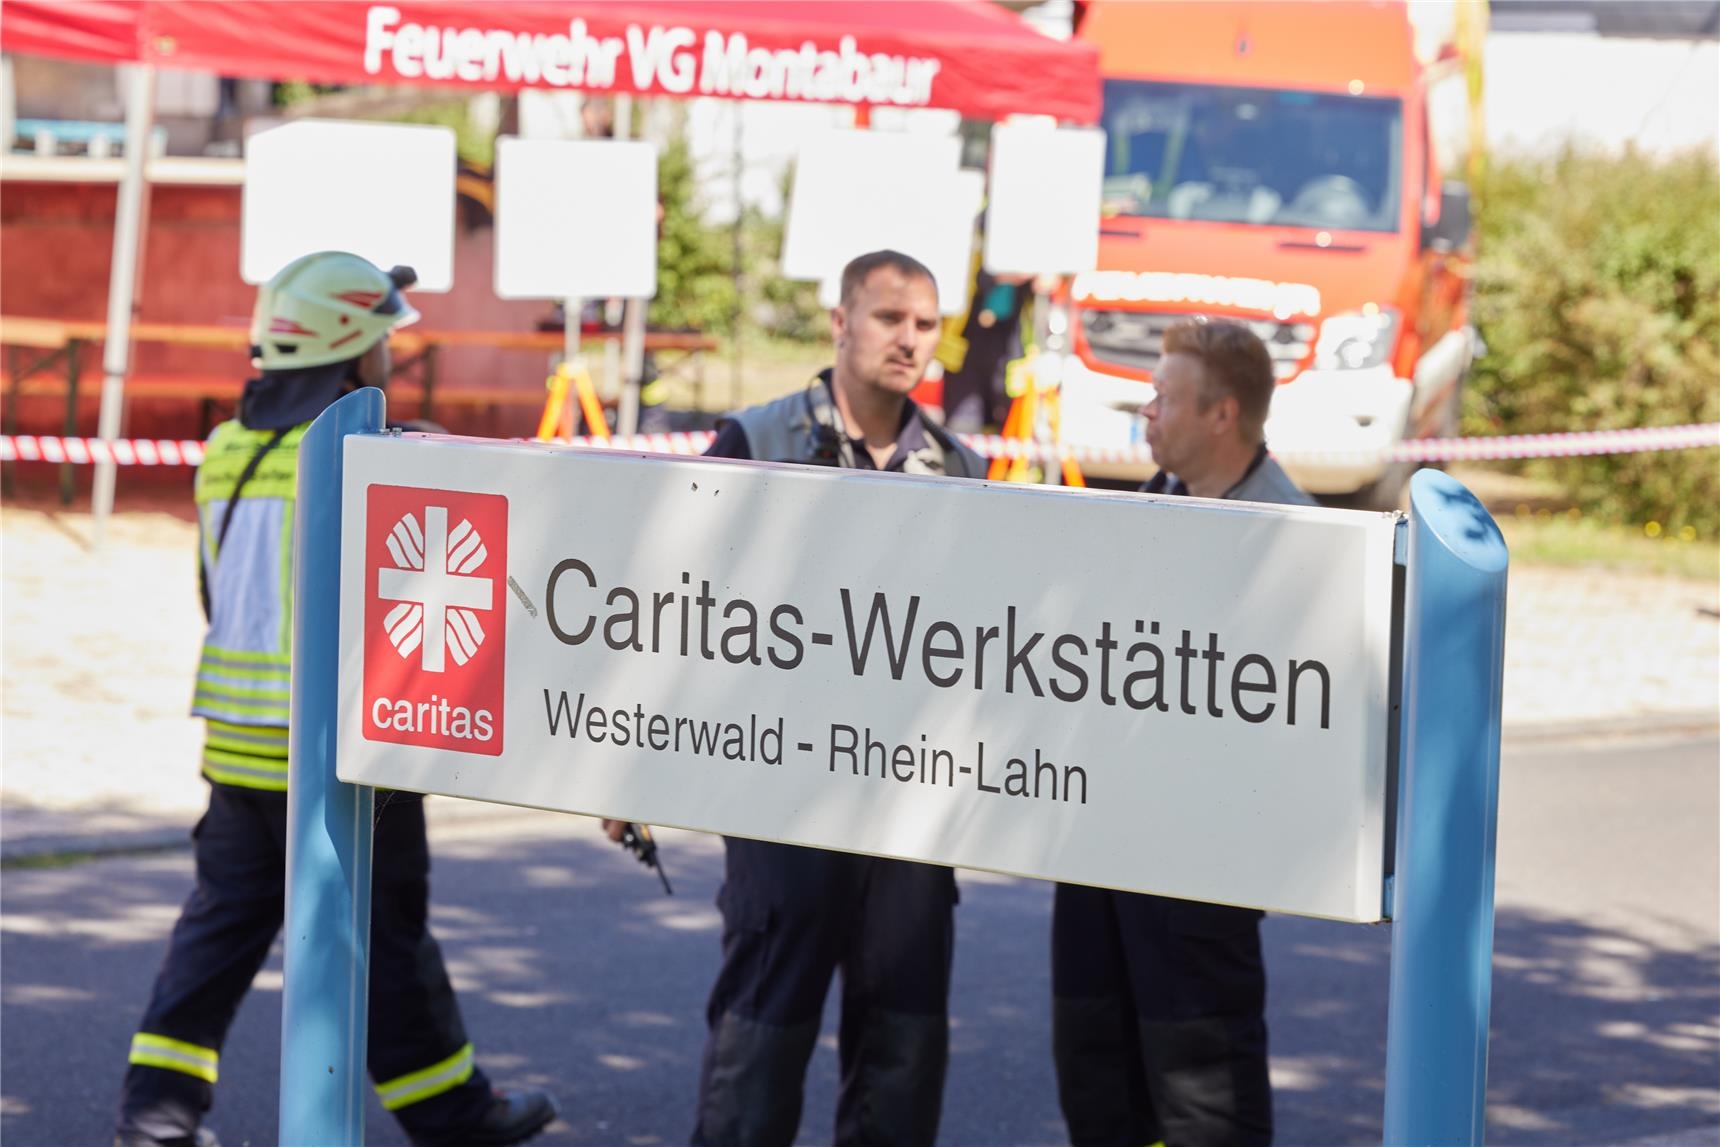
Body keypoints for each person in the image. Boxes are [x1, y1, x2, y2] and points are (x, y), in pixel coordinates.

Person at [114, 252, 557, 1147]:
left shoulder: (225, 451)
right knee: (387, 939)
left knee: (217, 936)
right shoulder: (368, 456)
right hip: (340, 754)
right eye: (384, 334)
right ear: (352, 348)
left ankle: (154, 1117)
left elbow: (214, 588)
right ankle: (453, 1115)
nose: (394, 349)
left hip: (238, 743)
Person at [669, 249, 983, 1147]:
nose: (910, 340)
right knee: (760, 1044)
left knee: (903, 1050)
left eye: (926, 324)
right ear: (840, 323)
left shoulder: (956, 466)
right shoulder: (754, 442)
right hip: (782, 801)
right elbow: (672, 614)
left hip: (909, 813)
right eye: (890, 318)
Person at [1051, 318, 1313, 1147]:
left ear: (1221, 415)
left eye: (1163, 399)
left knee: (1205, 1097)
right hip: (1103, 852)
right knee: (1097, 1071)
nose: (1146, 415)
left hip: (1201, 870)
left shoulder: (1297, 542)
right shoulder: (1154, 506)